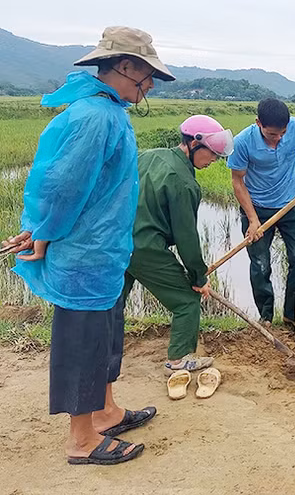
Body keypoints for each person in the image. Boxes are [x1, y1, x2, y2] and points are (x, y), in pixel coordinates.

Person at [2, 26, 175, 465]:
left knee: (104, 335)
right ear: (124, 66)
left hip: (103, 253)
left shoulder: (107, 111)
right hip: (82, 255)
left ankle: (106, 411)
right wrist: (42, 233)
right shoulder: (95, 116)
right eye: (148, 74)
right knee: (82, 342)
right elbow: (62, 187)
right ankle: (81, 440)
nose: (151, 84)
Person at [121, 115, 234, 373]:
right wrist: (198, 276)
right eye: (212, 154)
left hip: (116, 241)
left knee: (113, 302)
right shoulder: (184, 183)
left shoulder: (150, 155)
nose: (214, 160)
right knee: (186, 302)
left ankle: (102, 350)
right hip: (145, 247)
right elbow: (186, 237)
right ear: (194, 145)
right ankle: (179, 359)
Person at [226, 98, 295, 326]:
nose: (279, 138)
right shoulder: (242, 142)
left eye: (282, 133)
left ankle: (291, 316)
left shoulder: (294, 127)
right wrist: (252, 220)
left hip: (290, 205)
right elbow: (237, 182)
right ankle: (265, 317)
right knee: (260, 264)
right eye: (273, 134)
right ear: (258, 123)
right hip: (257, 209)